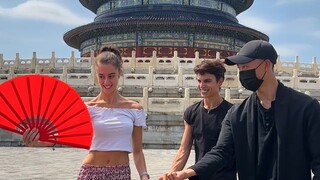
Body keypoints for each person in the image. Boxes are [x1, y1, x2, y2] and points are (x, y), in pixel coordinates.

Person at [161, 40, 320, 180]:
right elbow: (221, 152)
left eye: (246, 66)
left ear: (266, 65)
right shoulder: (237, 114)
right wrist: (186, 172)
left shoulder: (305, 108)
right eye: (240, 68)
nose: (243, 73)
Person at [22, 46, 150, 180]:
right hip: (91, 172)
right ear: (96, 75)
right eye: (101, 76)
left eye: (111, 76)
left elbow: (137, 152)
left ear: (120, 73)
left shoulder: (135, 109)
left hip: (121, 174)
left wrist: (144, 175)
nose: (106, 82)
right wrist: (37, 142)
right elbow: (60, 138)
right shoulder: (87, 108)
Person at [160, 60, 236, 180]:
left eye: (207, 81)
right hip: (198, 175)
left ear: (220, 81)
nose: (201, 86)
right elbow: (184, 149)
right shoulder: (191, 112)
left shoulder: (233, 113)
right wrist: (172, 175)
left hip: (223, 176)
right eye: (199, 81)